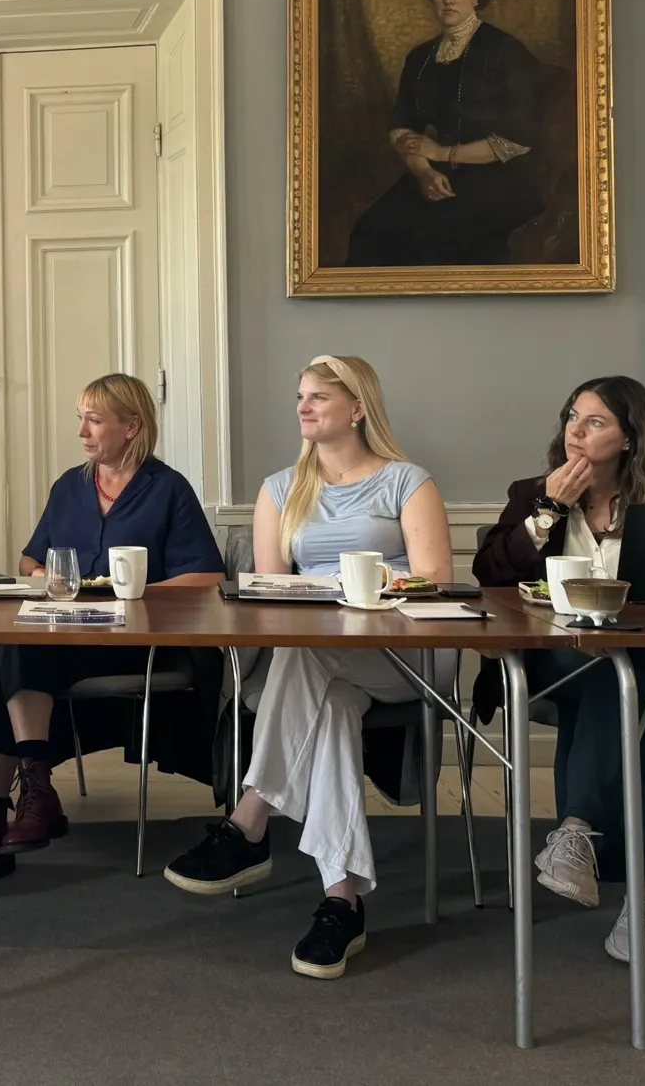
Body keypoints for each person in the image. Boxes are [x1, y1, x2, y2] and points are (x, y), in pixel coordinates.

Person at [162, 355, 452, 980]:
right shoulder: (279, 489)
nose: (304, 406)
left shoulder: (408, 481)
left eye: (320, 396)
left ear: (358, 407)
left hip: (398, 656)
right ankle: (340, 902)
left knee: (305, 652)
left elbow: (436, 580)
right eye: (301, 396)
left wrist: (362, 583)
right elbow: (267, 592)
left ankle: (250, 819)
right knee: (333, 714)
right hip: (319, 667)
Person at [0, 373, 224, 895]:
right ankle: (30, 793)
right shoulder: (69, 485)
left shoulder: (169, 489)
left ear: (132, 426)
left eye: (93, 419)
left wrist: (135, 591)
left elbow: (207, 576)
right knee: (7, 650)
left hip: (138, 644)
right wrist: (46, 578)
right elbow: (29, 559)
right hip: (67, 634)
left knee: (6, 659)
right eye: (80, 419)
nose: (82, 432)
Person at [474, 376, 645, 967]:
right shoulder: (533, 492)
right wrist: (548, 510)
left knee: (624, 676)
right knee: (619, 683)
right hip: (568, 657)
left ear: (629, 439)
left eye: (596, 422)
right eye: (572, 418)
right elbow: (491, 574)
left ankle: (577, 832)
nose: (576, 432)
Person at [346, 0, 548, 267]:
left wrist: (441, 154)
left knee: (438, 236)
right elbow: (403, 125)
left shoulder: (505, 51)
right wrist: (423, 170)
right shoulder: (420, 58)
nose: (448, 0)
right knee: (369, 231)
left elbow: (520, 138)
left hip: (503, 176)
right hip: (436, 174)